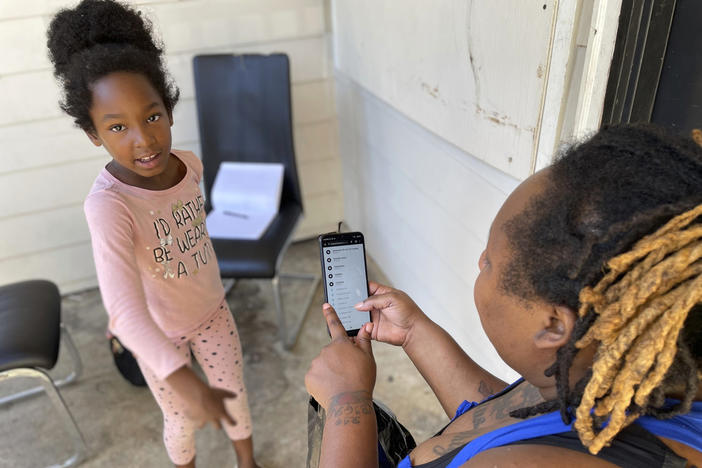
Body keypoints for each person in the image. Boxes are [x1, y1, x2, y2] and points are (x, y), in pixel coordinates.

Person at [305, 124, 702, 467]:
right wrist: (415, 333)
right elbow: (504, 421)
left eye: (491, 261)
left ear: (553, 325)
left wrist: (348, 403)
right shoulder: (592, 372)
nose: (480, 260)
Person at [46, 1, 260, 467]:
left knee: (232, 395)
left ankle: (248, 462)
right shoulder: (108, 206)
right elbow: (124, 312)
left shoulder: (190, 166)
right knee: (182, 418)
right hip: (159, 336)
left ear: (168, 106)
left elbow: (194, 233)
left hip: (211, 312)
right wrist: (183, 378)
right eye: (117, 126)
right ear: (92, 133)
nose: (143, 140)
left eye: (152, 116)